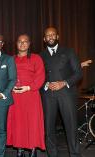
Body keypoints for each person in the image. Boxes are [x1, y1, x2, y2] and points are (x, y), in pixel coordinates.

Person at [40, 27, 82, 157]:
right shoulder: (40, 56)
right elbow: (37, 77)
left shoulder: (69, 51)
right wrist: (46, 84)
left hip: (66, 94)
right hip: (48, 95)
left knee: (71, 126)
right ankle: (52, 154)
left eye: (53, 34)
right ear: (44, 39)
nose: (50, 37)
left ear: (57, 36)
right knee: (48, 128)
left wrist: (63, 83)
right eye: (48, 35)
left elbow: (78, 73)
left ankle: (75, 154)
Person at [6, 34, 45, 157]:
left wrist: (28, 87)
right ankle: (20, 149)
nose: (22, 44)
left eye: (25, 41)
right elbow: (6, 77)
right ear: (16, 44)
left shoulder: (36, 58)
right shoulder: (11, 59)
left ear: (29, 44)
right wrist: (11, 87)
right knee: (18, 123)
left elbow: (41, 76)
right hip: (16, 96)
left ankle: (33, 150)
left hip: (31, 95)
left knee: (32, 123)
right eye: (20, 41)